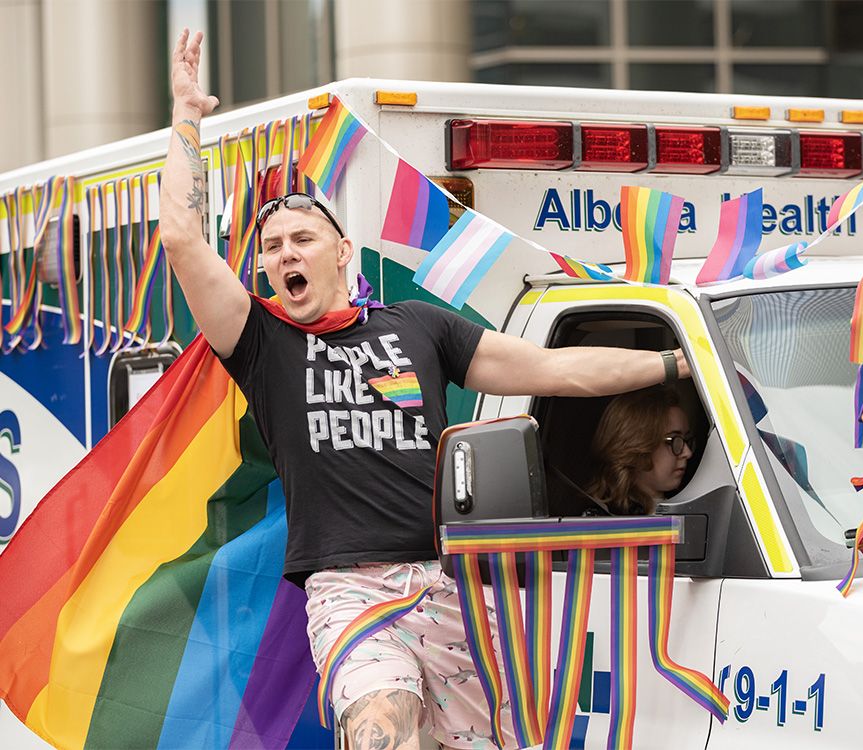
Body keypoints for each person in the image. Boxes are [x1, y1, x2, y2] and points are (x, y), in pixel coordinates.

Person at [160, 30, 691, 750]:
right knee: (383, 730)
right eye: (272, 246)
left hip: (455, 591)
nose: (286, 253)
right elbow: (183, 240)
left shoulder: (421, 328)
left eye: (303, 239)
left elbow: (560, 372)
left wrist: (673, 366)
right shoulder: (263, 344)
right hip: (348, 594)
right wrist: (187, 117)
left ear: (343, 253)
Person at [587, 385, 696, 515]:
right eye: (674, 440)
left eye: (686, 440)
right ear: (639, 445)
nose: (687, 453)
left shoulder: (688, 509)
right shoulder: (598, 521)